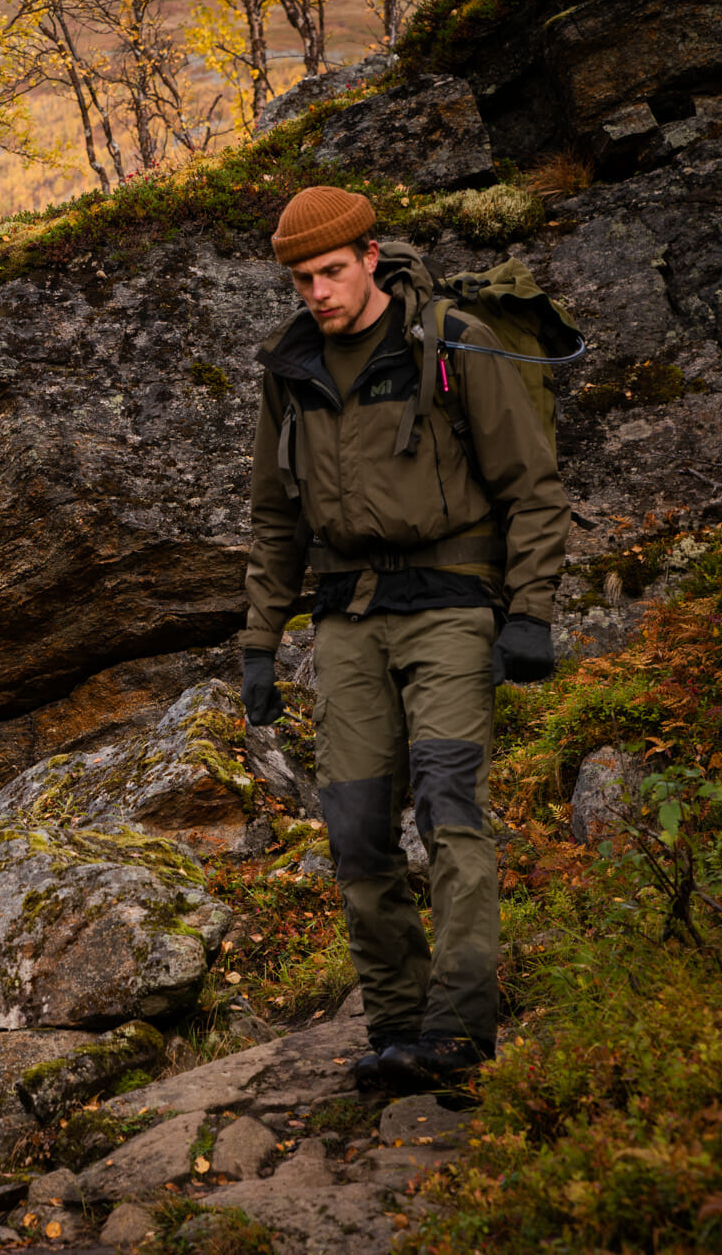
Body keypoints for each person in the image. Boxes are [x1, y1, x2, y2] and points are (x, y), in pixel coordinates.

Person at [241, 186, 571, 1089]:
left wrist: (531, 611)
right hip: (347, 619)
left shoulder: (452, 340)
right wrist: (259, 644)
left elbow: (532, 487)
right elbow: (276, 522)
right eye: (303, 278)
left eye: (333, 271)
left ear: (370, 256)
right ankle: (396, 1029)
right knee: (354, 830)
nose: (318, 291)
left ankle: (459, 1033)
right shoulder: (291, 370)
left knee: (451, 808)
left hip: (451, 608)